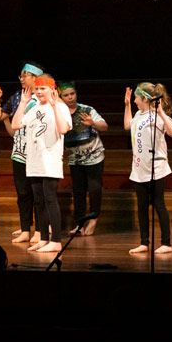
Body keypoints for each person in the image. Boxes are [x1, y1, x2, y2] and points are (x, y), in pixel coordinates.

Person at [11, 75, 71, 254]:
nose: (39, 91)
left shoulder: (60, 107)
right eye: (37, 88)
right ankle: (44, 238)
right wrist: (23, 103)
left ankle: (56, 240)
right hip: (34, 161)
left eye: (43, 88)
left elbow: (63, 129)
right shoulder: (33, 108)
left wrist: (54, 106)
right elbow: (15, 125)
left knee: (50, 198)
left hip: (50, 161)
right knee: (39, 201)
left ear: (52, 90)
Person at [0, 62, 44, 244]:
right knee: (23, 193)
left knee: (38, 193)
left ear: (35, 78)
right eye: (21, 76)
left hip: (37, 153)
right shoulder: (16, 97)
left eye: (25, 75)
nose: (21, 79)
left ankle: (40, 229)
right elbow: (0, 116)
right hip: (19, 153)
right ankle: (25, 229)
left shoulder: (42, 96)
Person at [124, 82, 172, 255]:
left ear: (145, 99)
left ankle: (166, 243)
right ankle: (144, 242)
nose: (134, 101)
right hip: (139, 169)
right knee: (141, 207)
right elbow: (127, 126)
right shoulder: (138, 114)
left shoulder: (156, 116)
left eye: (136, 98)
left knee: (159, 205)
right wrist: (126, 106)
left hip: (156, 169)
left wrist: (160, 112)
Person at [60, 81, 109, 236]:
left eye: (72, 94)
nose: (70, 97)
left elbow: (104, 126)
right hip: (75, 158)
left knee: (94, 188)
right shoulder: (59, 113)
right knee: (78, 191)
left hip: (94, 156)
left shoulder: (86, 109)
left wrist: (92, 123)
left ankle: (94, 218)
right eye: (66, 95)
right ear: (60, 97)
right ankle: (80, 223)